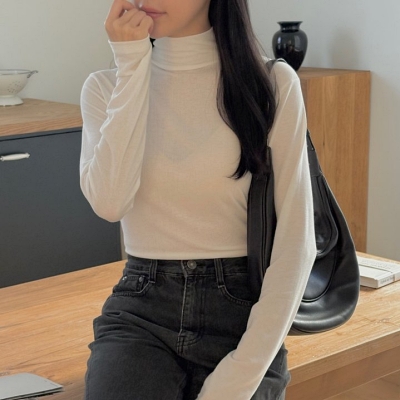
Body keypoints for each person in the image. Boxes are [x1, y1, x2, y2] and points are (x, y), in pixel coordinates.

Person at [79, 0, 316, 399]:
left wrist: (237, 379)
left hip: (243, 310)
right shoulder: (106, 86)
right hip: (142, 310)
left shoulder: (272, 83)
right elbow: (110, 203)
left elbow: (296, 243)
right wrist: (132, 65)